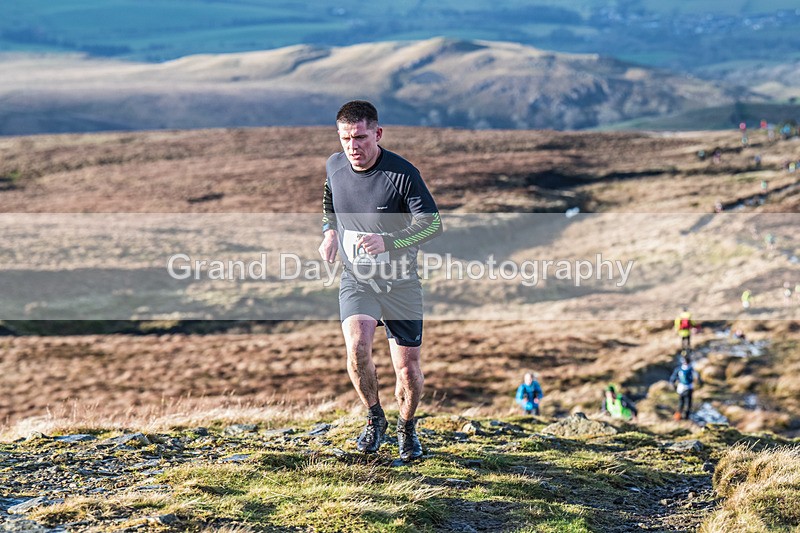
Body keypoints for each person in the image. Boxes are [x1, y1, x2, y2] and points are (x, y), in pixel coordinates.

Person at [318, 100, 443, 462]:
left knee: (407, 370)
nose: (352, 147)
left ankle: (407, 426)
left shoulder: (402, 174)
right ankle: (375, 418)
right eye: (345, 139)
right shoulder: (335, 165)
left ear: (378, 133)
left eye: (360, 137)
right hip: (357, 280)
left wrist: (389, 241)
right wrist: (329, 232)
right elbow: (329, 198)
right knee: (357, 349)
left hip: (401, 284)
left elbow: (433, 224)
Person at [669, 351, 701, 420]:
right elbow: (698, 378)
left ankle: (678, 417)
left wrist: (673, 385)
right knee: (688, 403)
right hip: (689, 387)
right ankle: (686, 417)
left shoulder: (679, 369)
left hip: (680, 388)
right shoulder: (691, 369)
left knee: (681, 402)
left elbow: (673, 379)